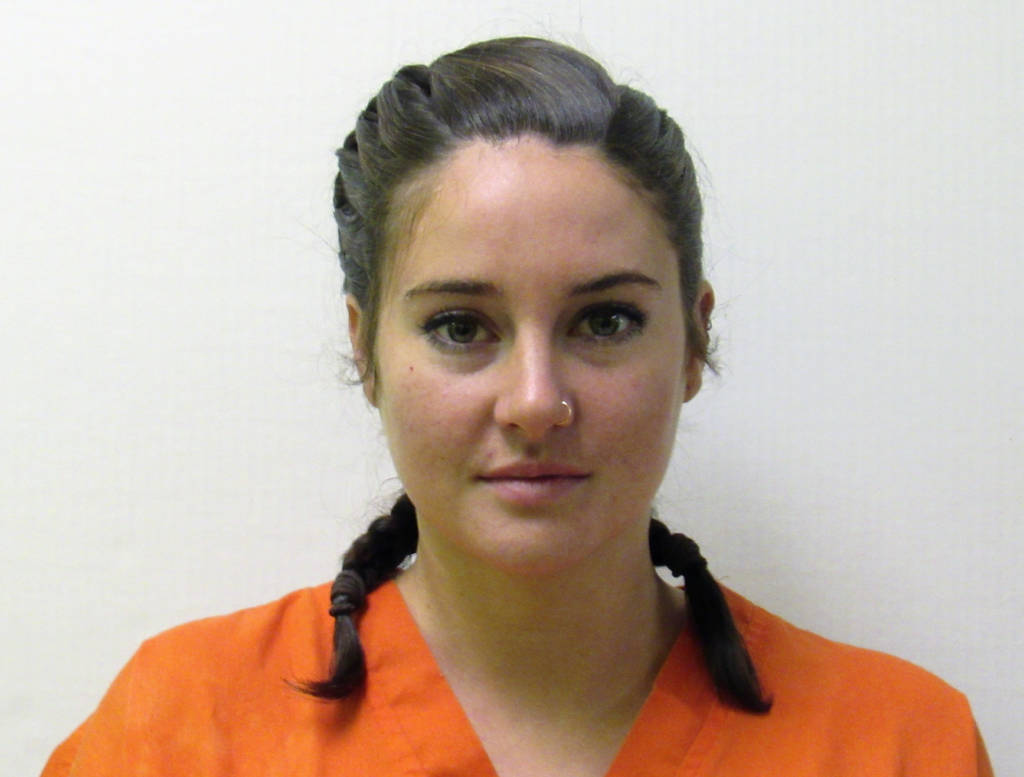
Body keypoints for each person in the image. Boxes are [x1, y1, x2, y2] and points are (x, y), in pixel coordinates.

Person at [41, 37, 992, 777]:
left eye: (606, 320)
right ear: (365, 350)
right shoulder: (180, 732)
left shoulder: (899, 742)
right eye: (460, 326)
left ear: (693, 341)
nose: (536, 402)